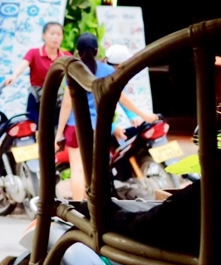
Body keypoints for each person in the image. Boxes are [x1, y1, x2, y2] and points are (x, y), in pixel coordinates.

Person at [57, 33, 157, 201]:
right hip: (99, 128)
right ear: (96, 51)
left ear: (77, 52)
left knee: (78, 170)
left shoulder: (73, 70)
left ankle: (78, 208)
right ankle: (96, 209)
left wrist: (59, 132)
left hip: (75, 127)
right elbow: (121, 98)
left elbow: (67, 105)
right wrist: (144, 115)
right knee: (97, 170)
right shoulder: (108, 71)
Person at [4, 22, 70, 122]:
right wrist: (14, 76)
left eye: (58, 34)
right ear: (44, 35)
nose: (55, 37)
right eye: (52, 34)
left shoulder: (66, 56)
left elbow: (78, 70)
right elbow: (24, 64)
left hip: (56, 99)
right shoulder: (34, 53)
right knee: (35, 128)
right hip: (37, 98)